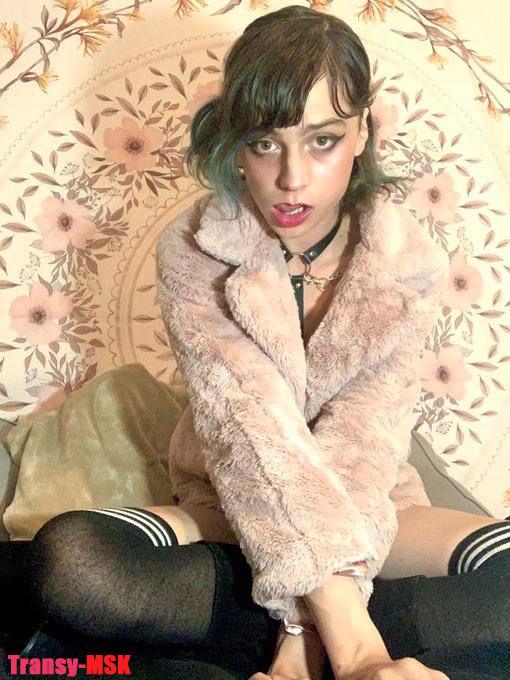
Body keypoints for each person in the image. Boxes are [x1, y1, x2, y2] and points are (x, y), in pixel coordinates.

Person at [2, 6, 509, 680]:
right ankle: (354, 642)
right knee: (73, 562)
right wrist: (348, 646)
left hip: (369, 507)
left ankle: (272, 641)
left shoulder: (407, 258)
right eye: (266, 143)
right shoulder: (195, 248)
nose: (293, 178)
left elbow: (363, 436)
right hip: (231, 502)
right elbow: (250, 431)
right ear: (236, 141)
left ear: (362, 130)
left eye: (323, 140)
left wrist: (317, 628)